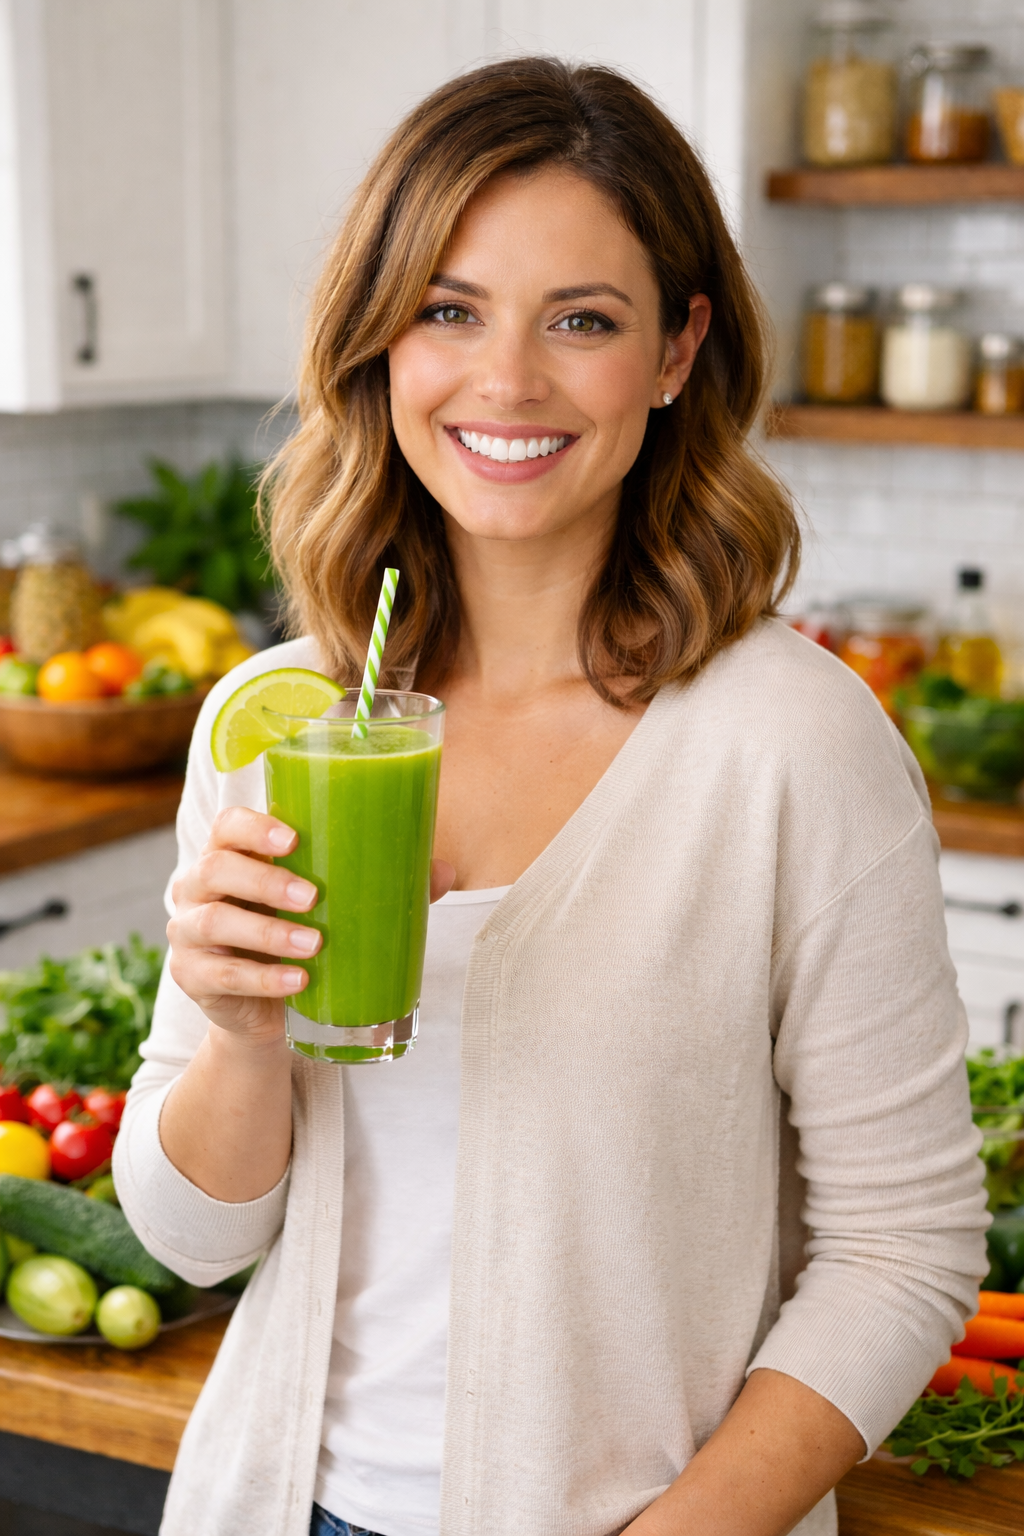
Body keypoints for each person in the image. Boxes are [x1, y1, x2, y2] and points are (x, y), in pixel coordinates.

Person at [114, 57, 987, 1536]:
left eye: (581, 320)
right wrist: (244, 1035)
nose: (506, 381)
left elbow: (903, 1249)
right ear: (381, 341)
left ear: (675, 350)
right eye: (448, 310)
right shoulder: (282, 724)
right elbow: (195, 1238)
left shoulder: (794, 745)